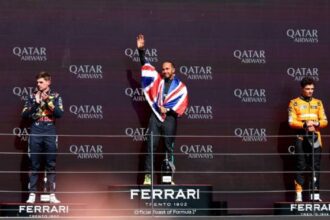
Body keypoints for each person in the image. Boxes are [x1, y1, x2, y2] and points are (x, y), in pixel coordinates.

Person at [136, 34, 188, 185]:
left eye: (167, 69)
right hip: (155, 117)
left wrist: (169, 110)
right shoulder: (157, 80)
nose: (164, 71)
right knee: (150, 146)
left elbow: (182, 105)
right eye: (163, 69)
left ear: (173, 70)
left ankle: (167, 178)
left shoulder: (180, 87)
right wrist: (141, 51)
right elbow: (146, 66)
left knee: (168, 148)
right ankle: (148, 177)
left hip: (170, 119)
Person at [22, 72, 64, 203]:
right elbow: (24, 115)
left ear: (48, 82)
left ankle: (52, 194)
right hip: (36, 128)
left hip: (50, 128)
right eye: (37, 82)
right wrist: (36, 103)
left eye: (41, 82)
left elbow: (59, 114)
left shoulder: (56, 96)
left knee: (50, 163)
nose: (38, 84)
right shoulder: (31, 96)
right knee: (34, 163)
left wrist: (47, 102)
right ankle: (32, 194)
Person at [288, 77, 327, 202]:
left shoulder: (318, 102)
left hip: (316, 138)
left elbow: (325, 121)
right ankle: (298, 195)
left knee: (315, 166)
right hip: (301, 138)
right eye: (307, 89)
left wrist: (315, 124)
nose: (310, 91)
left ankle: (315, 195)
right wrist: (304, 124)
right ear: (302, 89)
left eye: (312, 89)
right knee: (301, 166)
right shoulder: (294, 103)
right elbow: (291, 121)